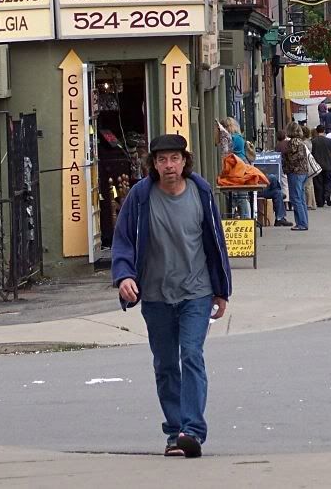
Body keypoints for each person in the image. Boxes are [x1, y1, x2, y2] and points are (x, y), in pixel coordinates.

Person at [111, 134, 232, 458]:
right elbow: (123, 240)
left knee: (191, 354)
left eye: (175, 158)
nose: (169, 165)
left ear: (184, 161)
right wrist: (124, 276)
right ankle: (174, 432)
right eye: (162, 159)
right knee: (165, 365)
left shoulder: (200, 192)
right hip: (155, 295)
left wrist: (221, 290)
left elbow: (215, 242)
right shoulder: (141, 197)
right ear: (153, 164)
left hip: (196, 292)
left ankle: (191, 431)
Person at [222, 118, 291, 226]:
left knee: (275, 190)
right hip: (244, 179)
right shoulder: (237, 139)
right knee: (273, 180)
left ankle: (280, 217)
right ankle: (280, 210)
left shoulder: (235, 139)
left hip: (245, 177)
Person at [281, 121, 309, 231]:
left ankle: (301, 223)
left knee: (295, 198)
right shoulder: (301, 142)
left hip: (295, 172)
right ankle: (304, 221)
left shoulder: (292, 142)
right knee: (301, 198)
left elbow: (293, 158)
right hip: (303, 172)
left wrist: (286, 159)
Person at [311, 125, 331, 207]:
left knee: (318, 183)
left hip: (317, 166)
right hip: (328, 165)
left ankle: (320, 201)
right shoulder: (329, 141)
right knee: (328, 181)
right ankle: (327, 195)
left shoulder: (313, 141)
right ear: (324, 131)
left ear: (317, 131)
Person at [302, 126, 317, 210]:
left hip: (306, 165)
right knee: (310, 185)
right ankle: (312, 203)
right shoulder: (309, 142)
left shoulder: (305, 143)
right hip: (309, 165)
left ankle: (309, 203)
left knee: (307, 185)